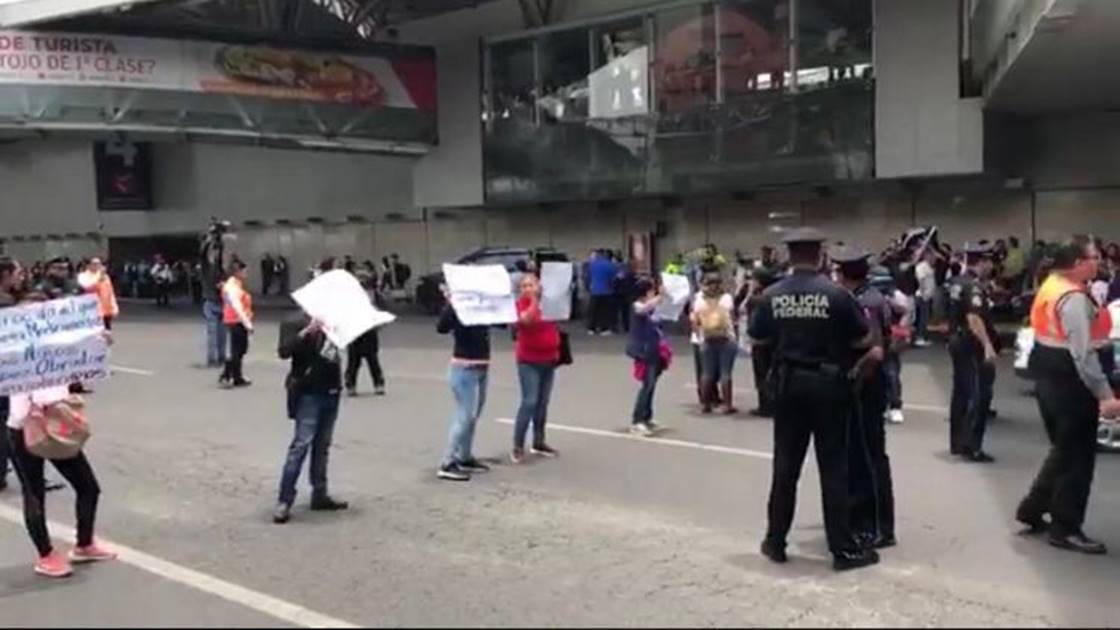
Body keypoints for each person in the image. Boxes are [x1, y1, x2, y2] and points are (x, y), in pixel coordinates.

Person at [748, 227, 879, 571]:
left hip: (788, 386)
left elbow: (758, 341)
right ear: (819, 255)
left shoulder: (772, 295)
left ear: (790, 256)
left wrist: (768, 385)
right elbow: (863, 339)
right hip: (829, 387)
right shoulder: (836, 295)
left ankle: (775, 541)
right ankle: (842, 549)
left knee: (785, 468)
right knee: (833, 469)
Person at [1017, 236, 1120, 555]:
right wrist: (1104, 395)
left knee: (1063, 449)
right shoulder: (1073, 298)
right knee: (1077, 459)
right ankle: (1066, 528)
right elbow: (1083, 355)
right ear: (1077, 264)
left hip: (1048, 374)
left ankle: (1033, 509)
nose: (1098, 261)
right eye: (1093, 257)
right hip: (1071, 381)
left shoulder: (1052, 284)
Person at [835, 247, 896, 550]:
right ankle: (867, 521)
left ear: (844, 274)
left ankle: (877, 526)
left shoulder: (865, 302)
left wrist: (853, 377)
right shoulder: (866, 297)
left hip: (867, 385)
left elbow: (874, 351)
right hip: (868, 383)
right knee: (863, 456)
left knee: (870, 457)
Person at [273, 311, 349, 524]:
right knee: (300, 445)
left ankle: (320, 492)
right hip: (308, 392)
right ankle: (285, 499)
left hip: (331, 388)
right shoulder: (294, 322)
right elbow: (284, 351)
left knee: (322, 445)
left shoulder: (335, 322)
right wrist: (307, 331)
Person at [947, 242, 999, 462]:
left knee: (960, 392)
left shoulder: (957, 282)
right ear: (982, 261)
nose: (991, 266)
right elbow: (974, 318)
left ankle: (957, 442)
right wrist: (987, 344)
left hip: (956, 340)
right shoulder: (974, 287)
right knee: (978, 395)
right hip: (971, 343)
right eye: (989, 262)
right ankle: (972, 446)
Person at [436, 289, 493, 481]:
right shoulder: (458, 306)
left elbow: (502, 322)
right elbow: (442, 327)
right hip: (464, 367)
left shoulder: (481, 305)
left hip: (482, 365)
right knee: (464, 416)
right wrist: (451, 303)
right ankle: (447, 462)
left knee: (473, 415)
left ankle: (464, 457)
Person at [511, 274, 561, 464]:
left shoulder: (550, 303)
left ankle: (539, 442)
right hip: (528, 360)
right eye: (524, 286)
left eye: (531, 285)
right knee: (529, 401)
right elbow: (525, 321)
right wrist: (534, 300)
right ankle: (517, 445)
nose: (527, 288)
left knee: (543, 402)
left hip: (549, 358)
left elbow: (561, 316)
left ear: (539, 285)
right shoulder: (521, 305)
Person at [626, 277, 668, 436]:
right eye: (651, 291)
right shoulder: (637, 305)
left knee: (652, 384)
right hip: (644, 350)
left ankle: (647, 416)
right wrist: (660, 297)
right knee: (647, 385)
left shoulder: (653, 308)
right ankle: (637, 420)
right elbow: (642, 309)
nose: (653, 293)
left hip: (655, 349)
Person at [691, 274, 738, 414]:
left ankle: (705, 404)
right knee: (725, 373)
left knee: (707, 373)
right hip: (727, 339)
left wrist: (699, 336)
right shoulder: (727, 299)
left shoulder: (699, 300)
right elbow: (733, 317)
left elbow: (695, 322)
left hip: (707, 339)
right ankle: (727, 405)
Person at [220, 261, 254, 388]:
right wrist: (248, 324)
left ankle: (236, 375)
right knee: (237, 350)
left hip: (237, 320)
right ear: (237, 272)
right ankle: (227, 375)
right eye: (244, 271)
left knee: (240, 350)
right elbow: (237, 307)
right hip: (236, 321)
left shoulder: (236, 285)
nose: (246, 274)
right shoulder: (232, 287)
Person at [77, 257, 119, 330]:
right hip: (91, 308)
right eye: (95, 264)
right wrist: (99, 280)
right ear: (88, 265)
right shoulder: (83, 276)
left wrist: (113, 305)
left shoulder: (105, 277)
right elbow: (86, 286)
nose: (98, 266)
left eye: (99, 264)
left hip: (105, 308)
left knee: (106, 329)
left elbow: (110, 292)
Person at [587, 250, 617, 335]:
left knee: (593, 311)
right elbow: (613, 279)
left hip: (594, 291)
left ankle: (591, 328)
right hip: (607, 291)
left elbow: (588, 277)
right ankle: (604, 329)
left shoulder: (592, 265)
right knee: (605, 312)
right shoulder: (610, 265)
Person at [914, 250, 936, 347]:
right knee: (922, 318)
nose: (934, 259)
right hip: (922, 296)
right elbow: (920, 280)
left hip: (927, 296)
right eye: (932, 256)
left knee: (925, 317)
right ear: (927, 256)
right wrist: (923, 294)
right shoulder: (922, 266)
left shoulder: (929, 267)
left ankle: (922, 336)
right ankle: (919, 337)